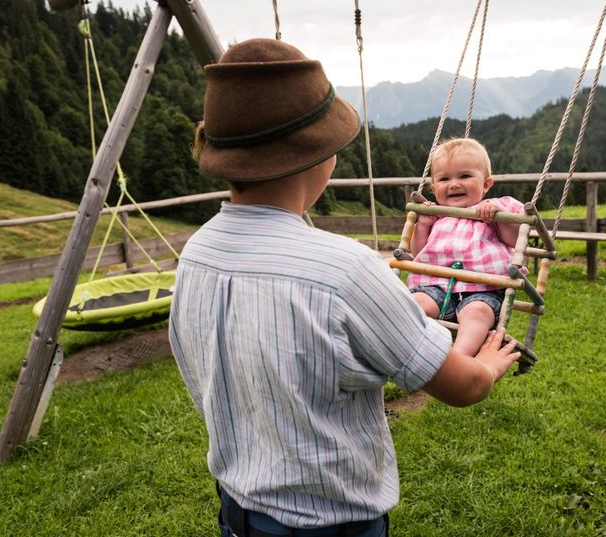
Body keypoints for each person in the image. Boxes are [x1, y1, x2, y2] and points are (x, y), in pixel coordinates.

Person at [168, 38, 520, 537]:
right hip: (332, 523)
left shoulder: (196, 254)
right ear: (322, 156)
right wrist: (486, 364)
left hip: (237, 511)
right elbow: (462, 386)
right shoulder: (345, 270)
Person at [407, 137, 524, 357]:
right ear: (434, 188)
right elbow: (418, 253)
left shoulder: (494, 208)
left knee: (477, 314)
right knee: (413, 304)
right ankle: (410, 353)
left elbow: (515, 241)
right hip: (435, 287)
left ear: (486, 184)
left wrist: (499, 216)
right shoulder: (436, 215)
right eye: (444, 179)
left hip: (482, 290)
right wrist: (422, 224)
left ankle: (459, 360)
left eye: (464, 176)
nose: (454, 184)